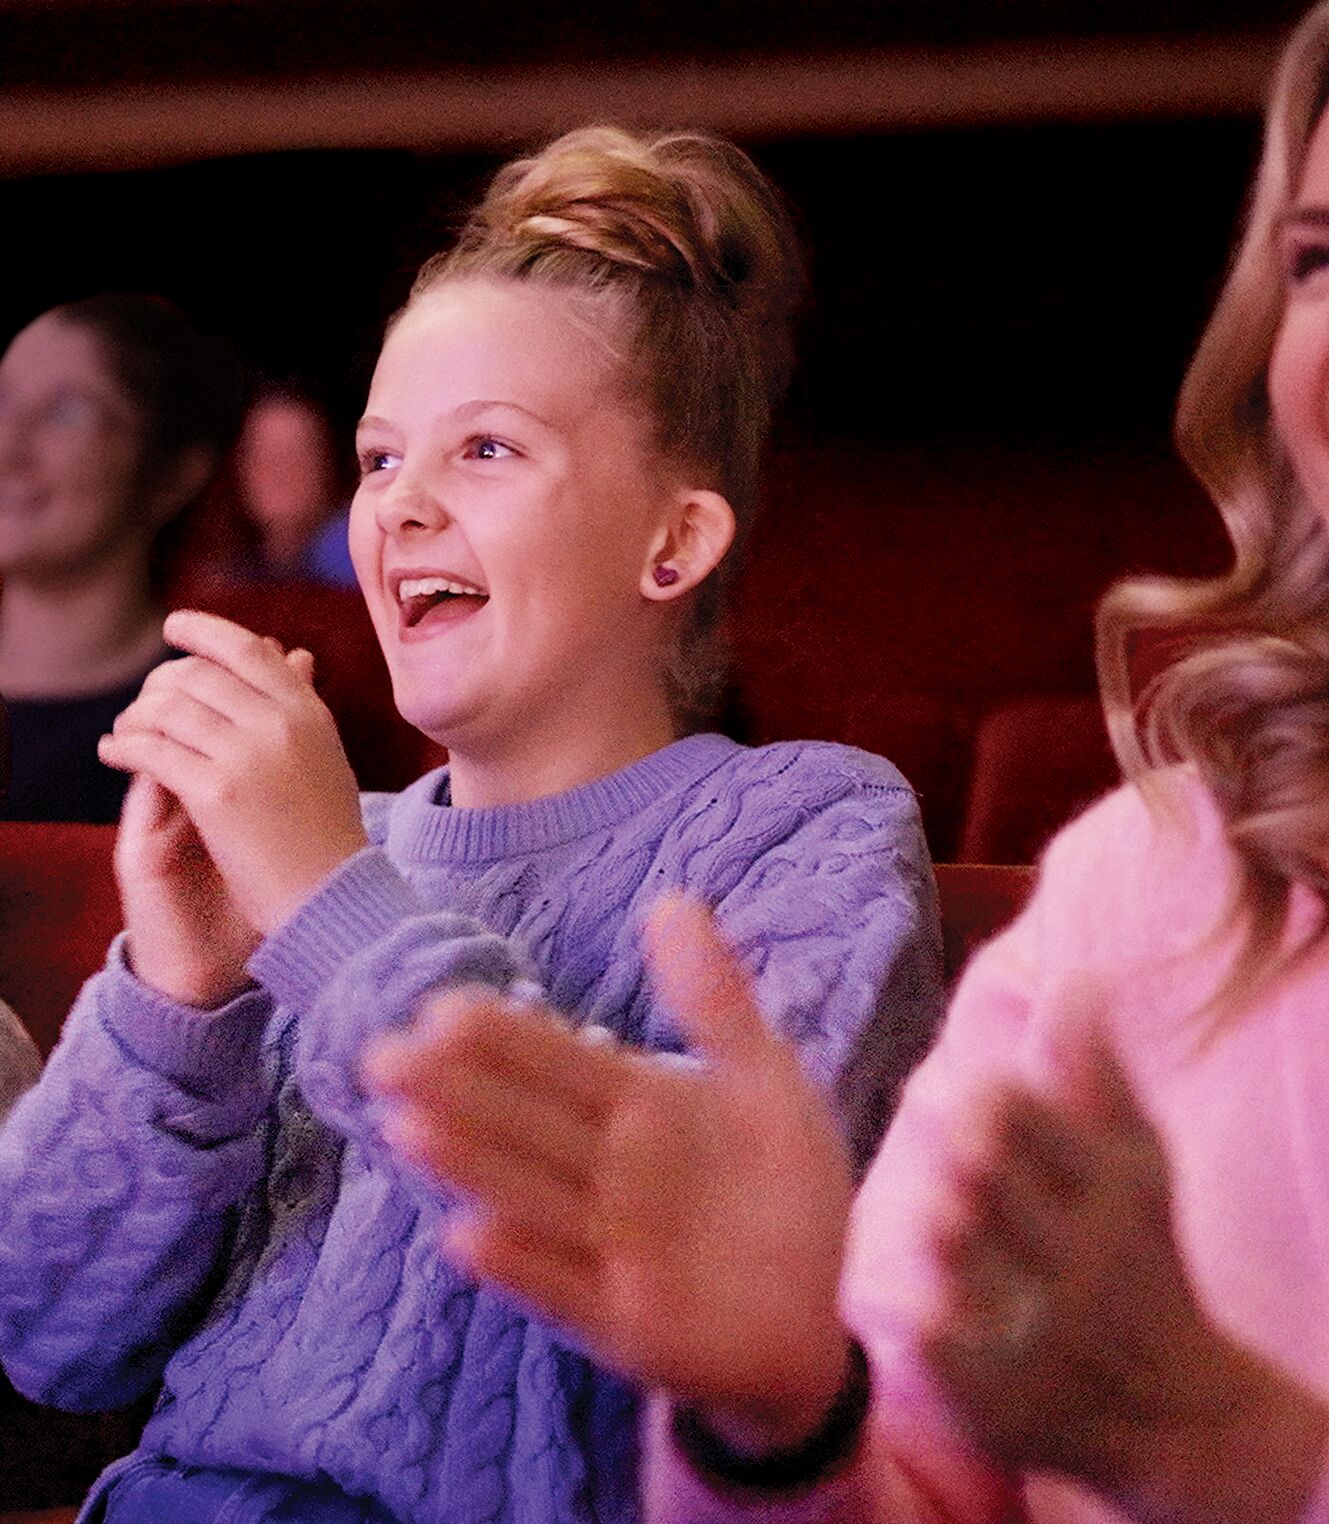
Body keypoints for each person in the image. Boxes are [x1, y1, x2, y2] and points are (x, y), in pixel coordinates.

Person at [365, 3, 1329, 1520]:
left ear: (680, 543)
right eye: (1315, 255)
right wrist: (784, 1417)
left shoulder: (804, 827)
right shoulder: (1150, 886)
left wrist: (1225, 1448)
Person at [0, 127, 942, 1524]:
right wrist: (181, 1003)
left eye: (486, 449)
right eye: (379, 460)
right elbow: (51, 1341)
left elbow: (704, 1278)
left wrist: (327, 900)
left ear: (672, 543)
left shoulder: (808, 825)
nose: (402, 506)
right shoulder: (331, 848)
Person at [0, 294, 244, 823]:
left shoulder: (213, 729)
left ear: (173, 475)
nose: (7, 448)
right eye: (1, 401)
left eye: (67, 412)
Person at [226, 380, 358, 587]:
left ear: (328, 465)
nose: (277, 472)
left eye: (294, 455)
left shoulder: (357, 562)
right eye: (261, 454)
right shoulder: (229, 577)